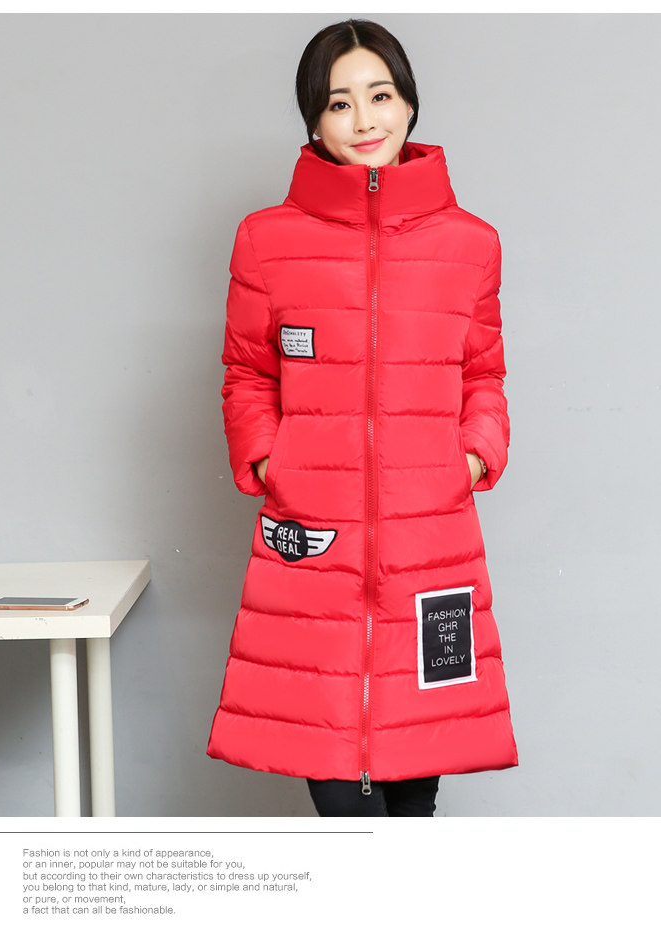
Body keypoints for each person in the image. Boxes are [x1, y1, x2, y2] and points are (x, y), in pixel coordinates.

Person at [207, 19, 518, 817]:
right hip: (313, 539)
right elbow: (248, 372)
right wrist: (275, 464)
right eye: (339, 103)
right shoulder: (266, 241)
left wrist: (471, 458)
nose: (364, 120)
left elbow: (483, 374)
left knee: (416, 791)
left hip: (430, 542)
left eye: (380, 96)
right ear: (314, 122)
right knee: (339, 794)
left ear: (409, 103)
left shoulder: (471, 244)